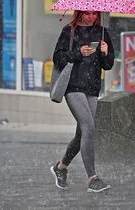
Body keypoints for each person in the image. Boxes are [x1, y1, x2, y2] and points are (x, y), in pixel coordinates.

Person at [50, 10, 115, 193]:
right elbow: (58, 58)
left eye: (95, 13)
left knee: (82, 135)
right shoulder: (69, 31)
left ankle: (61, 167)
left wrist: (105, 52)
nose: (91, 17)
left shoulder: (102, 32)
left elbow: (108, 65)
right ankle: (92, 178)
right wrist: (78, 53)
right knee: (88, 126)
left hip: (92, 88)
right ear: (80, 12)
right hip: (73, 86)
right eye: (87, 13)